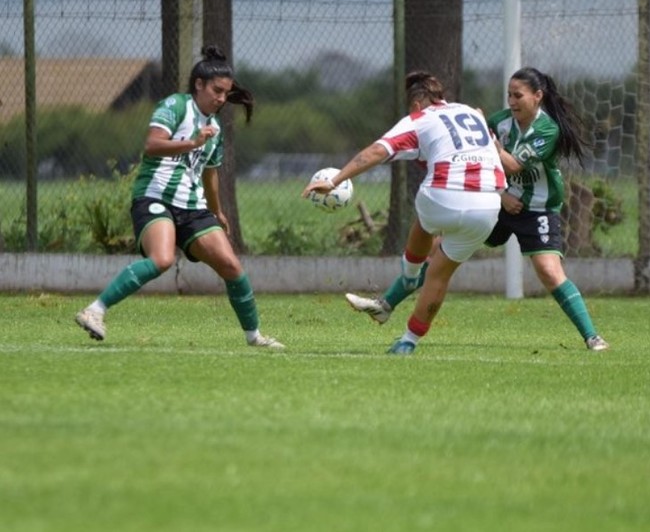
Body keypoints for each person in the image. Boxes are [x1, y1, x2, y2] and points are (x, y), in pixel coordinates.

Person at [346, 67, 610, 352]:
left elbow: (512, 165)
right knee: (436, 250)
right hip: (496, 203)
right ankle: (385, 305)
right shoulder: (501, 121)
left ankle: (592, 337)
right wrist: (502, 190)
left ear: (537, 96)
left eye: (518, 95)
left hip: (537, 209)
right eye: (509, 94)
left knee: (548, 271)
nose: (511, 101)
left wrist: (489, 139)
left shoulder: (547, 129)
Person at [75, 45, 283, 349]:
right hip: (154, 197)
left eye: (226, 93)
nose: (222, 98)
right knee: (162, 259)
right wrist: (191, 142)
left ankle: (255, 337)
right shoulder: (175, 106)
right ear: (198, 85)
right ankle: (93, 311)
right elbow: (152, 145)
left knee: (231, 266)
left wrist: (218, 211)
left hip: (193, 207)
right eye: (217, 90)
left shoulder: (215, 127)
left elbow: (210, 173)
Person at [303, 70, 505, 355]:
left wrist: (334, 180)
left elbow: (376, 151)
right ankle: (408, 342)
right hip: (488, 205)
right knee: (439, 275)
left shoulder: (419, 119)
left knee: (425, 219)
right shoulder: (472, 113)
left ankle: (409, 276)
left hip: (444, 195)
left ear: (415, 105)